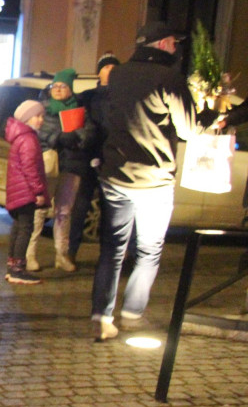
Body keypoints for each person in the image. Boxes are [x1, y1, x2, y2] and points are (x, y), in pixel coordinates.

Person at [90, 21, 218, 342]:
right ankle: (132, 314)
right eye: (174, 43)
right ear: (162, 45)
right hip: (154, 179)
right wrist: (210, 114)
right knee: (149, 249)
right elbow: (189, 130)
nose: (176, 49)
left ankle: (102, 317)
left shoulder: (117, 74)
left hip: (115, 175)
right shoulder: (169, 78)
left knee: (113, 249)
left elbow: (107, 117)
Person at [27, 68, 87, 273]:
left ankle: (61, 255)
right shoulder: (42, 108)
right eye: (55, 86)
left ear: (70, 89)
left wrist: (80, 136)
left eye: (63, 86)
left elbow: (88, 131)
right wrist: (57, 138)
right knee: (40, 209)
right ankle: (29, 255)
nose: (58, 90)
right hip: (48, 164)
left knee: (64, 211)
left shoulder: (79, 108)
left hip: (71, 164)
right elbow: (35, 132)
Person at [69, 52, 120, 261]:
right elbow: (73, 120)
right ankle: (71, 251)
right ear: (99, 72)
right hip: (88, 157)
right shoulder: (87, 96)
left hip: (112, 158)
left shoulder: (123, 97)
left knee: (111, 210)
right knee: (81, 205)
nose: (110, 71)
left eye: (114, 67)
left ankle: (108, 256)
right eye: (106, 67)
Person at [4, 99, 48, 284]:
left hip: (18, 190)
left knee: (18, 227)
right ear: (28, 118)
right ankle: (18, 269)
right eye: (37, 116)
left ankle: (12, 266)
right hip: (25, 191)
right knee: (25, 228)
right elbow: (30, 167)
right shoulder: (29, 139)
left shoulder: (20, 137)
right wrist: (38, 190)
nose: (41, 120)